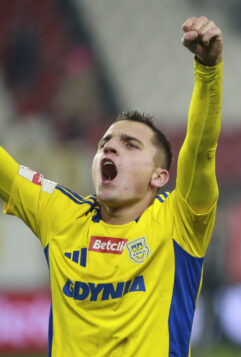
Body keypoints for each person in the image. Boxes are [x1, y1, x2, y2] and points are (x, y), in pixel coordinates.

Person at [0, 16, 222, 356]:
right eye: (105, 142)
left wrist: (207, 72)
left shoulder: (178, 222)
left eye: (131, 144)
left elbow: (201, 149)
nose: (110, 147)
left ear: (158, 177)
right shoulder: (62, 215)